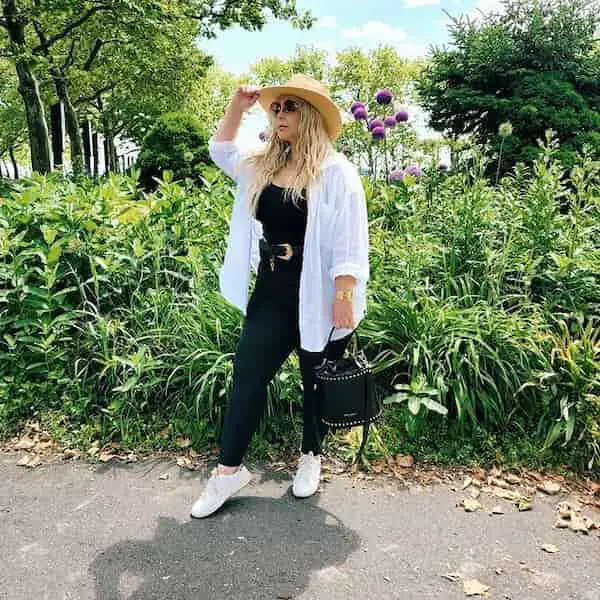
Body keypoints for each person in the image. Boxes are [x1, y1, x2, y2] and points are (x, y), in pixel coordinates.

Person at [191, 74, 370, 519]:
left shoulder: (335, 172)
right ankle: (228, 471)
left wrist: (345, 294)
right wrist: (238, 105)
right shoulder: (264, 165)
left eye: (289, 107)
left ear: (308, 116)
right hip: (272, 289)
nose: (279, 114)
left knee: (316, 382)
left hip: (319, 292)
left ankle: (311, 455)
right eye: (276, 107)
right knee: (246, 375)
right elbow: (220, 151)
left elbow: (351, 236)